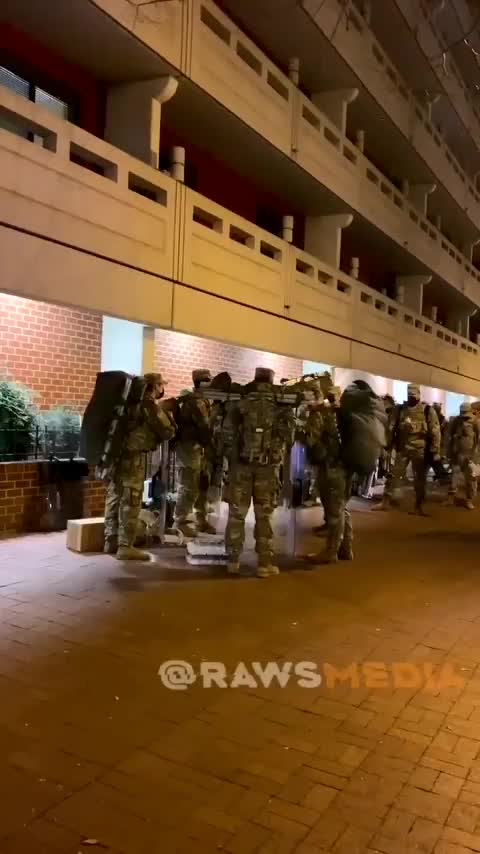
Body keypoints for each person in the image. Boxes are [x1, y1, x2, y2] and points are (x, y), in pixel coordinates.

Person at [225, 367, 295, 578]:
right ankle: (264, 564)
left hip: (241, 468)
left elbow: (227, 434)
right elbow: (290, 438)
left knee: (237, 514)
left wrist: (235, 458)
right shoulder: (281, 405)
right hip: (268, 469)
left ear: (254, 379)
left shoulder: (240, 403)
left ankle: (233, 561)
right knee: (264, 516)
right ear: (271, 380)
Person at [104, 372, 175, 560]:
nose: (162, 389)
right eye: (161, 385)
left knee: (115, 495)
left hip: (116, 456)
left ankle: (110, 540)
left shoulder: (126, 403)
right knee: (131, 499)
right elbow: (167, 431)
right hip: (132, 458)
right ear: (154, 386)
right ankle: (125, 546)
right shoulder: (148, 405)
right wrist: (169, 416)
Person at [375, 383, 441, 515]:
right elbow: (391, 428)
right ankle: (385, 502)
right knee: (393, 475)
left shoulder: (427, 410)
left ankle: (419, 505)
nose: (412, 398)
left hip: (420, 450)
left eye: (414, 396)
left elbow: (435, 431)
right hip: (403, 448)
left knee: (420, 479)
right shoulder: (399, 409)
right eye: (410, 396)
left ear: (419, 395)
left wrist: (435, 450)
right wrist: (387, 445)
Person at [174, 369, 215, 537]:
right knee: (189, 486)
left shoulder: (201, 400)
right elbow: (204, 427)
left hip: (198, 449)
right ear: (203, 383)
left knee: (202, 484)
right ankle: (180, 522)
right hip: (190, 449)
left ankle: (201, 519)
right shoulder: (195, 402)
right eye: (208, 381)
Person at [446, 401, 479, 509]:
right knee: (453, 477)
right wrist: (449, 452)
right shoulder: (456, 420)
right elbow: (449, 436)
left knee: (471, 479)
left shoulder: (475, 422)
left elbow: (478, 440)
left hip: (470, 455)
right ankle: (450, 498)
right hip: (457, 453)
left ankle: (469, 500)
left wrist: (475, 456)